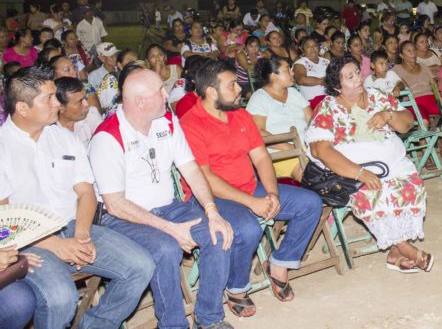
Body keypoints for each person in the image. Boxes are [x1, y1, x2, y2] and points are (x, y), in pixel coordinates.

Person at [1, 66, 154, 329]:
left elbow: (86, 192)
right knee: (61, 297)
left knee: (141, 266)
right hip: (27, 240)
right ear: (22, 108)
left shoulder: (63, 137)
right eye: (48, 99)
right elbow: (4, 216)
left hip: (74, 226)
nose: (56, 104)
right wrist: (57, 245)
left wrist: (81, 235)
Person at [88, 68, 235, 328]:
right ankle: (172, 324)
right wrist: (170, 230)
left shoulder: (166, 121)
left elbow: (190, 168)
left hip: (168, 208)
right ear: (140, 101)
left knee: (219, 232)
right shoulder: (108, 137)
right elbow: (116, 205)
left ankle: (209, 318)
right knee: (165, 248)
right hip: (122, 218)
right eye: (160, 91)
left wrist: (212, 211)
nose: (168, 94)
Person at [181, 60, 321, 314]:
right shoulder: (191, 124)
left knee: (310, 203)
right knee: (247, 228)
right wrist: (252, 203)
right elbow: (205, 178)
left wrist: (272, 193)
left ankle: (279, 263)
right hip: (211, 198)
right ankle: (236, 288)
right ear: (211, 91)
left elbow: (261, 157)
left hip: (249, 187)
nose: (240, 90)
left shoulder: (240, 115)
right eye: (232, 84)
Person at [307, 54, 434, 273]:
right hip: (350, 173)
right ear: (338, 87)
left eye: (357, 72)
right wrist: (360, 173)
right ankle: (406, 248)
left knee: (411, 185)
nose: (358, 78)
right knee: (375, 192)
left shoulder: (379, 97)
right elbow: (321, 150)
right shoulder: (328, 108)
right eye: (349, 77)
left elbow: (406, 124)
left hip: (391, 164)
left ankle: (394, 254)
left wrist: (388, 115)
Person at [247, 57, 313, 180]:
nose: (292, 73)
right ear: (273, 75)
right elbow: (257, 133)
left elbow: (312, 120)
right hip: (280, 153)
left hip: (306, 147)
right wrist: (290, 148)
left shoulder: (294, 93)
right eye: (288, 69)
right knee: (309, 174)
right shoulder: (259, 98)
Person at [393, 41, 439, 125]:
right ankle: (424, 138)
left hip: (432, 101)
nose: (413, 53)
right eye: (409, 51)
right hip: (414, 103)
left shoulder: (424, 66)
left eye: (414, 50)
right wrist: (397, 87)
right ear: (401, 55)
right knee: (424, 120)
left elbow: (434, 84)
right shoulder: (396, 69)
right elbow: (399, 83)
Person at [55, 76, 104, 147]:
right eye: (79, 102)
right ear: (61, 107)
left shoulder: (91, 114)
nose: (86, 104)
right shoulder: (50, 132)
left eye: (85, 98)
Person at [293, 37, 329, 109]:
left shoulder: (326, 61)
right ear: (302, 49)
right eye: (308, 47)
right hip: (311, 101)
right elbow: (301, 80)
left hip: (329, 97)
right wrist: (323, 81)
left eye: (315, 46)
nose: (312, 49)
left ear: (319, 48)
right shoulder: (299, 63)